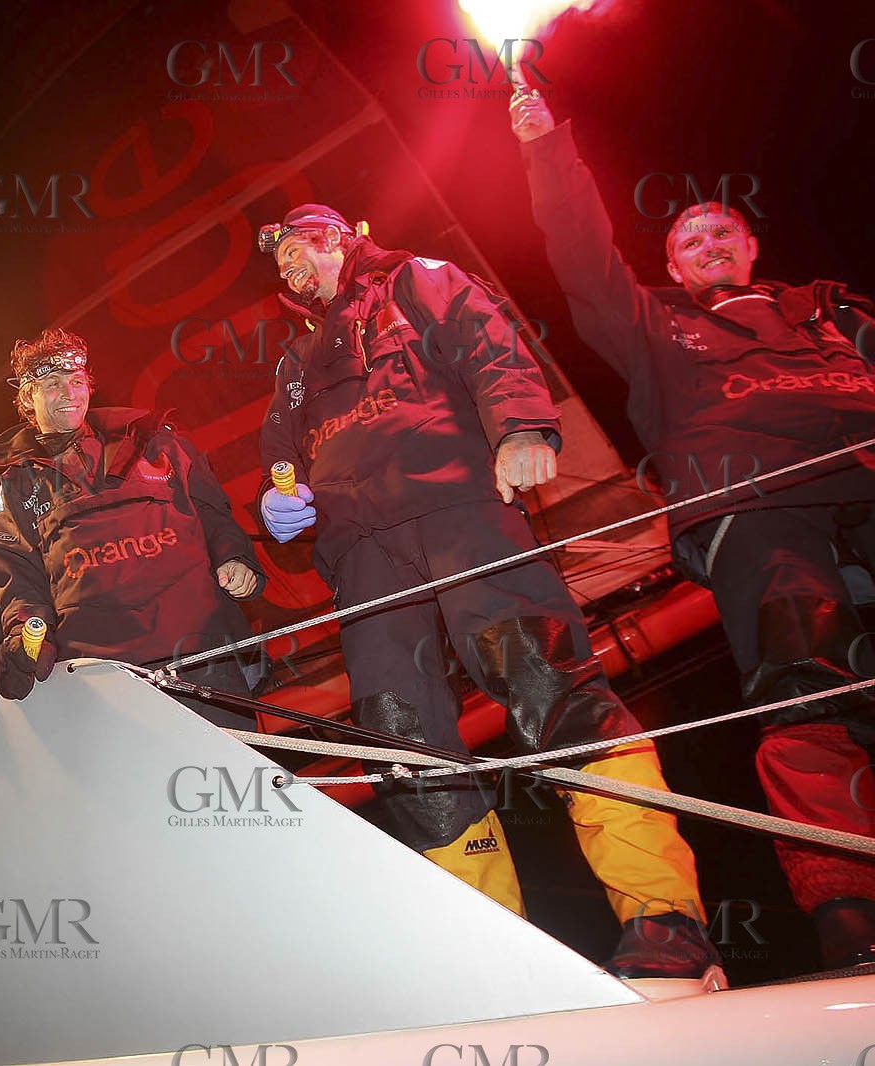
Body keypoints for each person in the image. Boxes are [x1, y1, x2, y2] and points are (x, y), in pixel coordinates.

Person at [255, 202, 722, 982]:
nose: (287, 269)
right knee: (399, 744)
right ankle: (497, 960)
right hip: (365, 558)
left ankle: (664, 919)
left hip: (462, 506)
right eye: (278, 265)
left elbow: (487, 342)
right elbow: (280, 456)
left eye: (296, 248)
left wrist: (521, 427)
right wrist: (283, 505)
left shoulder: (418, 281)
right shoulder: (296, 365)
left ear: (335, 237)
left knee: (546, 680)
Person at [512, 91, 875, 968]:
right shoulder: (652, 326)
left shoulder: (827, 309)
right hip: (752, 507)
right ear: (672, 269)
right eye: (686, 240)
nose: (708, 245)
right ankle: (853, 916)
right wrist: (544, 147)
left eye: (722, 232)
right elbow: (580, 252)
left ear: (752, 247)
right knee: (806, 685)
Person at [0, 327, 265, 717]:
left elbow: (211, 511)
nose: (69, 393)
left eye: (77, 381)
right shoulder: (16, 485)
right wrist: (26, 634)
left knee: (226, 779)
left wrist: (234, 557)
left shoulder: (153, 442)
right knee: (134, 779)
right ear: (27, 395)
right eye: (53, 383)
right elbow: (17, 577)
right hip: (102, 677)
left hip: (201, 655)